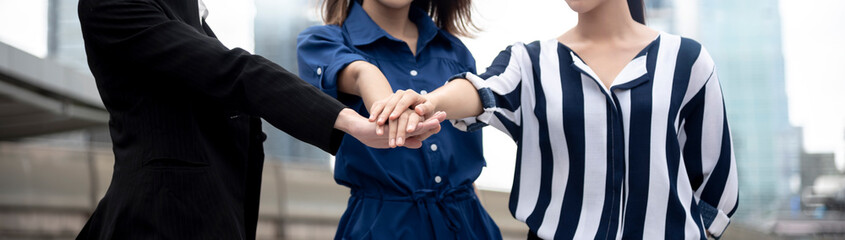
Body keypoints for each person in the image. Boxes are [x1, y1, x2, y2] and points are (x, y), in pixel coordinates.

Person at [75, 0, 445, 239]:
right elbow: (235, 72)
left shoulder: (188, 16)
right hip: (161, 220)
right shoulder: (113, 5)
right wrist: (353, 122)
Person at [370, 0, 739, 238]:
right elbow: (483, 91)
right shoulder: (530, 62)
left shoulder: (687, 61)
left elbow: (717, 184)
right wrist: (428, 103)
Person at [296, 0, 500, 239]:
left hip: (468, 221)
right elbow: (361, 73)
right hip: (383, 226)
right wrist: (394, 112)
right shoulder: (322, 42)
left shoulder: (454, 50)